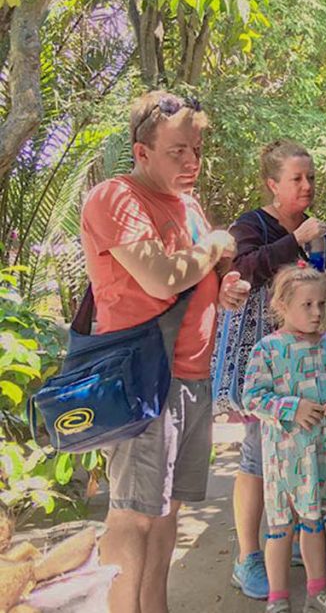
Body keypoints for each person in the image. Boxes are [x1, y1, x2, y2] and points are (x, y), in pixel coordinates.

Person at [82, 90, 250, 613]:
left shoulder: (189, 203)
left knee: (166, 511)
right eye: (178, 150)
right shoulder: (117, 198)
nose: (192, 161)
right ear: (141, 152)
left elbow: (191, 282)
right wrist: (217, 245)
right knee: (133, 515)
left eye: (196, 149)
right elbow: (159, 279)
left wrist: (222, 291)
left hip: (192, 379)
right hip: (143, 381)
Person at [219, 140, 326, 599]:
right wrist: (293, 241)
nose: (307, 185)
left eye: (310, 177)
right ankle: (248, 556)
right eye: (296, 178)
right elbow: (243, 270)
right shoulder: (252, 225)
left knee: (304, 447)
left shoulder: (320, 231)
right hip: (264, 358)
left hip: (310, 362)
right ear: (273, 184)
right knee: (259, 454)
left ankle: (299, 539)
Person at [241, 263, 326, 613]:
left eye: (321, 304)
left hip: (322, 454)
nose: (316, 312)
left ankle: (317, 590)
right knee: (280, 527)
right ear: (282, 306)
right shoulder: (268, 349)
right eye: (307, 305)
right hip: (284, 457)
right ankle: (278, 598)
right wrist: (291, 407)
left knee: (314, 522)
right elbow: (252, 397)